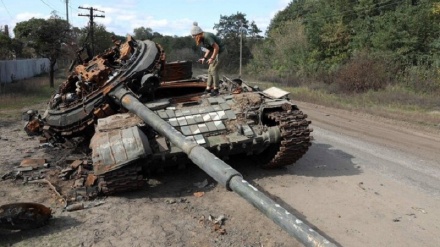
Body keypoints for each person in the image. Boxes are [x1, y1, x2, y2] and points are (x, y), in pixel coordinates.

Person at [190, 22, 225, 96]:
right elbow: (209, 49)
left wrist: (212, 58)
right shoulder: (203, 39)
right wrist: (204, 58)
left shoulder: (207, 36)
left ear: (198, 34)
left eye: (194, 36)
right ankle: (208, 88)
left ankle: (216, 90)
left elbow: (216, 47)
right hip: (215, 53)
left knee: (214, 70)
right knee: (209, 70)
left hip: (221, 52)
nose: (193, 38)